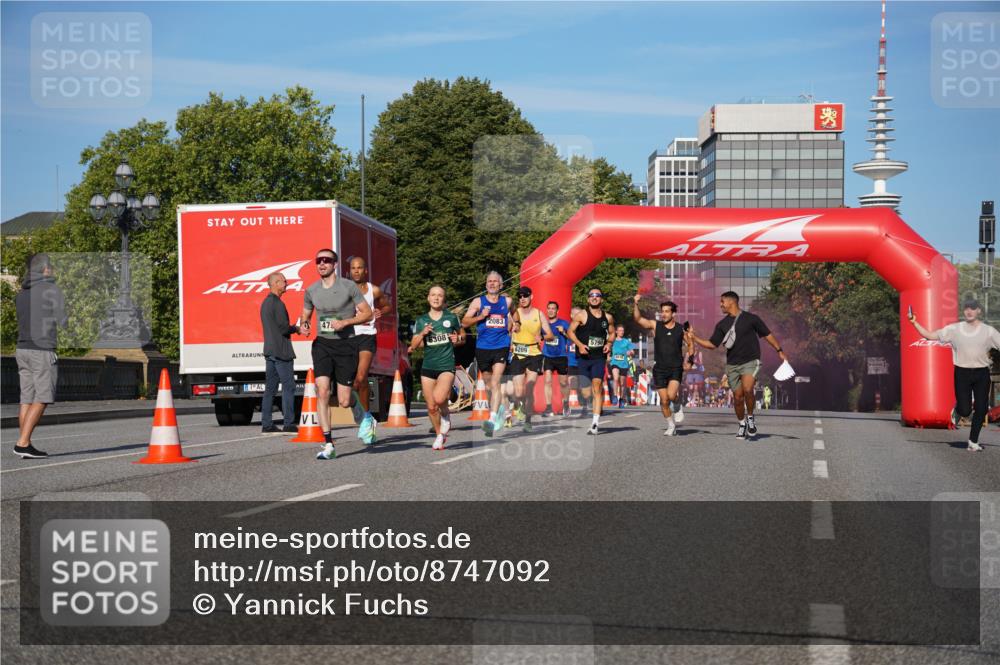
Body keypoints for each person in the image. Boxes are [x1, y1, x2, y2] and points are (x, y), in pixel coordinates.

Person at [299, 249, 376, 459]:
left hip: (346, 345)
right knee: (322, 390)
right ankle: (328, 444)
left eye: (326, 260)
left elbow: (367, 313)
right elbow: (305, 314)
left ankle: (365, 416)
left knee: (343, 400)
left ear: (335, 264)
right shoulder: (312, 290)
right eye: (318, 261)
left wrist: (346, 322)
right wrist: (304, 325)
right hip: (322, 345)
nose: (321, 264)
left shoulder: (348, 286)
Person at [688, 291, 788, 441]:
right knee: (738, 397)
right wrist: (694, 338)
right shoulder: (722, 324)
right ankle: (742, 424)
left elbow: (767, 335)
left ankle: (750, 418)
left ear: (731, 302)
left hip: (751, 361)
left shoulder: (751, 319)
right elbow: (711, 345)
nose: (720, 305)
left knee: (748, 389)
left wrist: (779, 350)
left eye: (722, 302)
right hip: (732, 365)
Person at [910, 299, 1000, 451]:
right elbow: (931, 336)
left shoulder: (989, 331)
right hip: (962, 372)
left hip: (982, 373)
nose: (969, 311)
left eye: (972, 308)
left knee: (981, 408)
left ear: (979, 311)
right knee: (965, 410)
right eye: (966, 308)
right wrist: (914, 322)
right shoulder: (954, 329)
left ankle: (973, 442)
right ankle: (958, 410)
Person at [14, 253, 67, 459]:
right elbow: (63, 321)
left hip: (22, 349)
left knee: (27, 398)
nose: (53, 270)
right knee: (43, 397)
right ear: (44, 270)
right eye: (51, 267)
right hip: (42, 350)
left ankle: (24, 443)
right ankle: (23, 442)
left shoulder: (21, 293)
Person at [409, 286, 465, 450]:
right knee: (431, 406)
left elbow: (462, 338)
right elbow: (414, 345)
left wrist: (457, 339)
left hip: (446, 364)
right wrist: (422, 334)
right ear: (428, 298)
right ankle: (440, 435)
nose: (436, 298)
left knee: (440, 399)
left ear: (444, 300)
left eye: (440, 295)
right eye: (433, 295)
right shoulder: (421, 320)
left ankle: (446, 415)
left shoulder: (452, 318)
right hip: (428, 366)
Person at [462, 271, 513, 437]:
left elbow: (514, 313)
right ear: (486, 285)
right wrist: (480, 317)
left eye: (495, 281)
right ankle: (499, 409)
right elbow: (464, 321)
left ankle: (491, 420)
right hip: (483, 347)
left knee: (497, 381)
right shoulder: (478, 302)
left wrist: (515, 323)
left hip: (501, 346)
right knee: (490, 385)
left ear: (501, 285)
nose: (492, 284)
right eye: (489, 281)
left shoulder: (507, 301)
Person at [633, 294, 693, 436]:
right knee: (664, 400)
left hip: (675, 367)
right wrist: (635, 304)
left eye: (667, 311)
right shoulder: (656, 325)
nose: (663, 314)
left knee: (672, 395)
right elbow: (638, 319)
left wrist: (690, 361)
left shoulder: (680, 329)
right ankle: (671, 425)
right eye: (662, 311)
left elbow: (690, 345)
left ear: (673, 313)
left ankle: (677, 405)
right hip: (659, 368)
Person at [567, 288, 614, 435]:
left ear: (601, 299)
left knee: (597, 386)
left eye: (597, 295)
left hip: (598, 357)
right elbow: (570, 332)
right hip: (584, 357)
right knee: (586, 391)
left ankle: (595, 423)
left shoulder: (608, 318)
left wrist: (609, 344)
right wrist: (580, 345)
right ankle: (591, 403)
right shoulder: (581, 315)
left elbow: (611, 333)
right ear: (588, 299)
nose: (594, 298)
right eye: (592, 296)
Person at [348, 256, 391, 412]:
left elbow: (387, 306)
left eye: (359, 268)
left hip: (367, 335)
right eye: (353, 268)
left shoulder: (374, 290)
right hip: (349, 337)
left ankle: (365, 419)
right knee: (356, 382)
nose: (356, 271)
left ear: (365, 270)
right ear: (350, 271)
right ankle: (363, 413)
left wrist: (381, 311)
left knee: (360, 377)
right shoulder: (345, 290)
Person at [509, 287, 554, 432]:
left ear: (531, 296)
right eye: (520, 296)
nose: (522, 298)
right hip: (518, 354)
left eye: (525, 296)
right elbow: (508, 330)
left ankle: (528, 421)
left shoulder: (539, 314)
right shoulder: (514, 314)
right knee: (518, 391)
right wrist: (511, 338)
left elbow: (550, 335)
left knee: (529, 388)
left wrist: (542, 337)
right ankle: (519, 406)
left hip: (534, 354)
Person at [260, 272, 301, 433]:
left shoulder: (265, 303)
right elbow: (283, 328)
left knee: (270, 388)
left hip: (270, 351)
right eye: (284, 281)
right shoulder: (277, 304)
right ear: (276, 283)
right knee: (288, 387)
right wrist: (296, 328)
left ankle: (267, 424)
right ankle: (289, 423)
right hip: (281, 352)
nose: (287, 283)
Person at [542, 301, 571, 417]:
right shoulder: (544, 324)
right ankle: (548, 407)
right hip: (548, 355)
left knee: (563, 382)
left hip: (561, 356)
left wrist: (563, 332)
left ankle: (566, 403)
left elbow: (572, 337)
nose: (551, 310)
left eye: (553, 308)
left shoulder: (563, 323)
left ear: (557, 311)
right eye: (549, 308)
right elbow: (538, 337)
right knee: (547, 381)